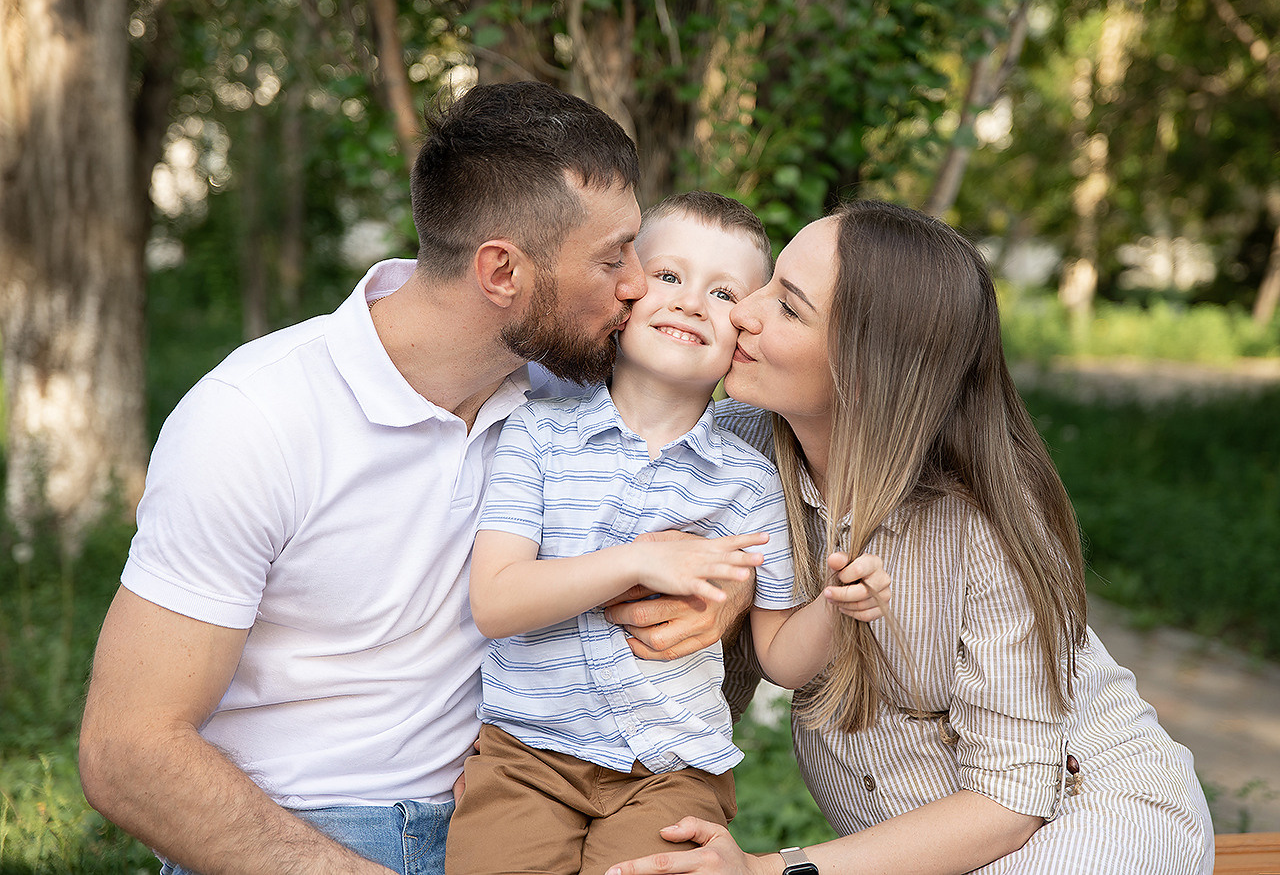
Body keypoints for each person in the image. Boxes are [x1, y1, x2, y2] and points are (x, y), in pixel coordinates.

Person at [76, 81, 750, 875]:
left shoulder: (569, 394)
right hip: (293, 837)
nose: (638, 284)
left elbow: (726, 454)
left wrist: (731, 586)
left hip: (514, 807)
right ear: (503, 271)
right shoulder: (253, 417)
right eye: (612, 259)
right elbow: (128, 751)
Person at [606, 200, 1214, 875]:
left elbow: (1009, 801)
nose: (745, 310)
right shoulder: (729, 454)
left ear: (864, 367)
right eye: (770, 282)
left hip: (1085, 818)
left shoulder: (982, 524)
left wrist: (770, 869)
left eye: (789, 307)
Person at [444, 192, 891, 875]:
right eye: (670, 276)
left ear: (744, 332)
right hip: (526, 756)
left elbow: (780, 658)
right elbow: (497, 602)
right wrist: (639, 562)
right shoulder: (536, 433)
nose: (689, 302)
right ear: (624, 299)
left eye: (722, 292)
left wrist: (835, 606)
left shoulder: (749, 482)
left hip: (672, 769)